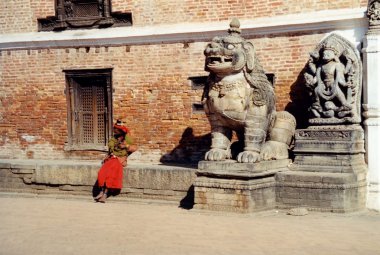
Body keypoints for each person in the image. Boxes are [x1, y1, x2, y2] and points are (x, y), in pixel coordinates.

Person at [94, 119, 137, 203]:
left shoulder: (127, 139)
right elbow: (110, 150)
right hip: (111, 159)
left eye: (116, 130)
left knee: (110, 175)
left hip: (119, 160)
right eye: (114, 129)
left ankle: (105, 194)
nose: (114, 131)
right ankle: (101, 191)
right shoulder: (113, 139)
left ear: (120, 131)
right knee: (102, 173)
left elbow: (134, 148)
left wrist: (126, 146)